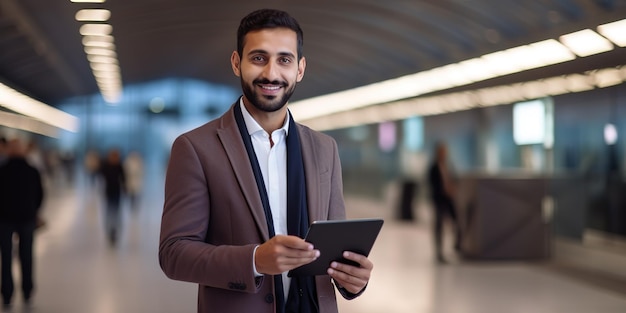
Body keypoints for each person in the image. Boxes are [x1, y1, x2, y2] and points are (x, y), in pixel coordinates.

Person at [159, 9, 373, 313]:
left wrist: (353, 279)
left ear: (300, 69)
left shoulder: (325, 148)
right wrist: (255, 259)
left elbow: (334, 252)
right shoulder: (196, 148)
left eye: (284, 60)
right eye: (259, 58)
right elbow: (174, 254)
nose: (271, 74)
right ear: (237, 63)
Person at [0, 138, 44, 308]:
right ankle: (27, 290)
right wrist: (34, 211)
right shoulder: (32, 170)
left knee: (6, 256)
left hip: (4, 220)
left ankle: (7, 293)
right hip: (27, 219)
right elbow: (40, 194)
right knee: (27, 256)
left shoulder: (2, 171)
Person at [427, 142, 462, 263]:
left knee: (457, 222)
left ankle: (457, 246)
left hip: (449, 200)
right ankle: (439, 252)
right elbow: (432, 185)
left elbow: (454, 179)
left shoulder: (449, 165)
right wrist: (443, 190)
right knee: (439, 226)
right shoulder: (433, 167)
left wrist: (452, 189)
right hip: (439, 200)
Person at [99, 148, 126, 246]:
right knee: (109, 211)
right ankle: (110, 230)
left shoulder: (119, 165)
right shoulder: (106, 166)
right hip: (109, 192)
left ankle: (114, 230)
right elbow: (101, 175)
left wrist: (125, 189)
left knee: (115, 212)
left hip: (117, 192)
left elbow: (123, 178)